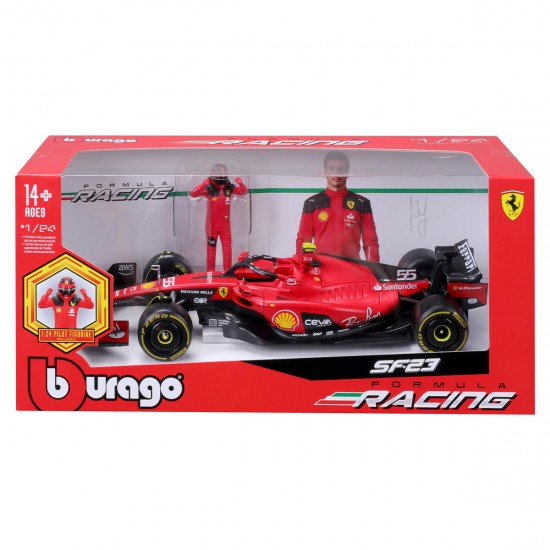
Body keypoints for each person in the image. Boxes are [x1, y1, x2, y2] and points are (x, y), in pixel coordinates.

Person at [295, 151, 380, 261]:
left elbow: (370, 242)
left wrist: (374, 268)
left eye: (341, 170)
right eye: (332, 169)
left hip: (351, 267)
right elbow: (303, 241)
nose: (336, 173)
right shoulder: (312, 203)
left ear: (347, 172)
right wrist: (302, 265)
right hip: (322, 267)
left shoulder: (362, 203)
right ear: (325, 172)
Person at [190, 163, 247, 271]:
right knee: (211, 250)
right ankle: (210, 272)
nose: (221, 177)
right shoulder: (208, 188)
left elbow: (243, 191)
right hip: (212, 227)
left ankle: (227, 272)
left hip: (225, 227)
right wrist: (203, 184)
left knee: (227, 249)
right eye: (219, 174)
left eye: (223, 174)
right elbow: (193, 193)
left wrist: (241, 184)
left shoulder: (229, 187)